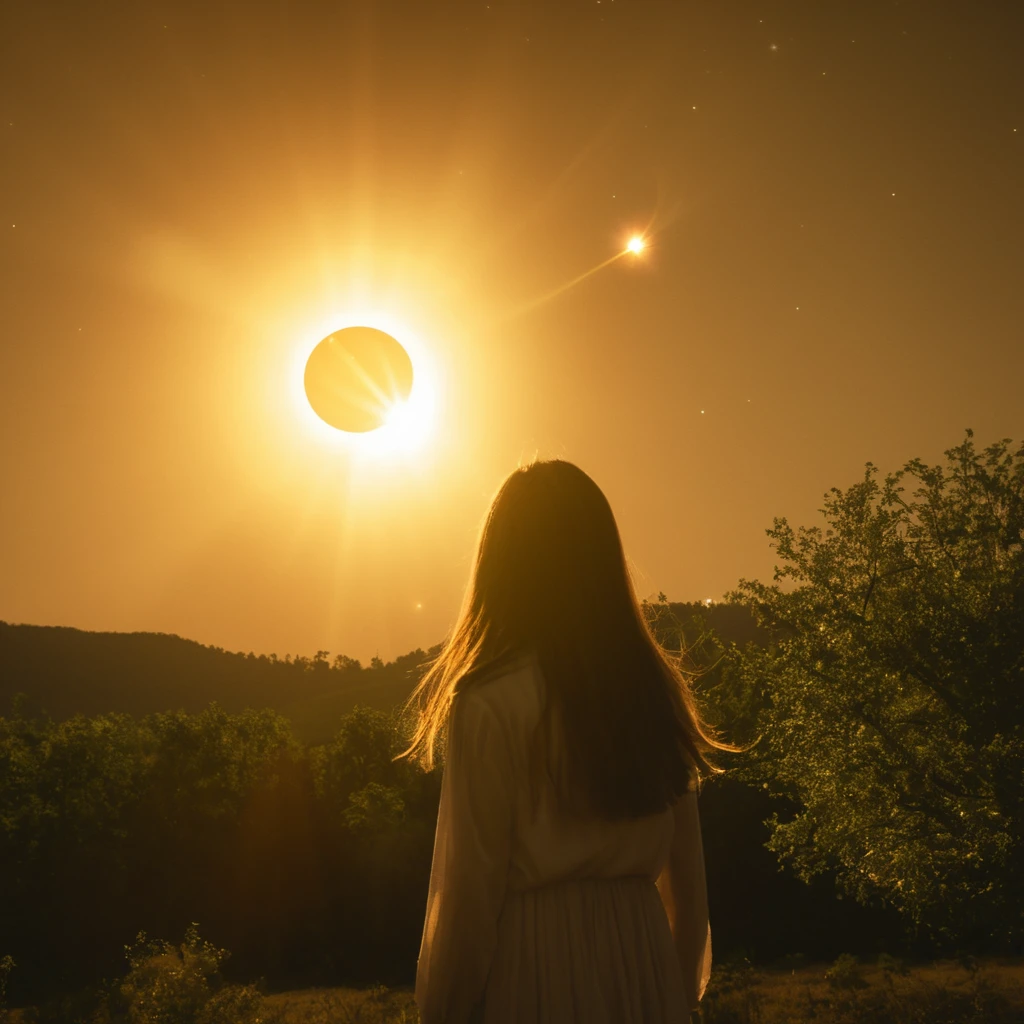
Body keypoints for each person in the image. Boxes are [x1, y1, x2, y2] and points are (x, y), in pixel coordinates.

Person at [402, 459, 730, 1024]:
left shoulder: (489, 701)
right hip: (642, 965)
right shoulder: (651, 694)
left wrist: (444, 1010)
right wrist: (670, 994)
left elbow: (469, 898)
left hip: (536, 974)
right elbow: (689, 886)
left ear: (503, 566)